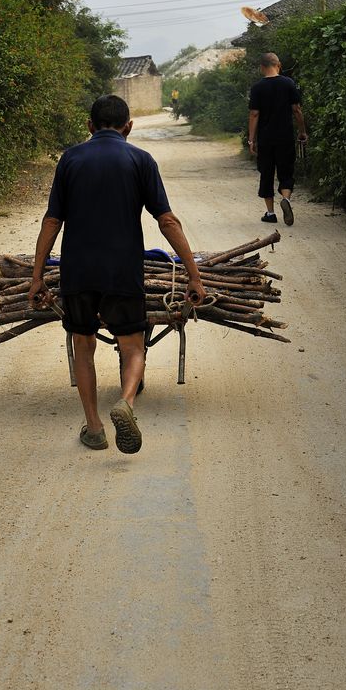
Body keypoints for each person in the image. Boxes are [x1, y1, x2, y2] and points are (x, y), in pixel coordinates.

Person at [28, 95, 206, 455]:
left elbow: (52, 221)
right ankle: (126, 401)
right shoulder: (140, 159)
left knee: (84, 345)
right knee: (132, 344)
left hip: (77, 270)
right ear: (129, 127)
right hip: (123, 271)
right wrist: (193, 275)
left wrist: (36, 276)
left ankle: (93, 428)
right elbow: (167, 220)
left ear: (89, 126)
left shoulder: (71, 159)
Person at [247, 52, 308, 226]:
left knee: (266, 173)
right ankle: (286, 200)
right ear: (278, 65)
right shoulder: (288, 83)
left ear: (262, 67)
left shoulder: (257, 88)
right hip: (286, 136)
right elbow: (296, 110)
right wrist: (302, 131)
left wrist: (251, 140)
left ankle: (270, 213)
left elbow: (254, 114)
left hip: (266, 139)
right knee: (286, 171)